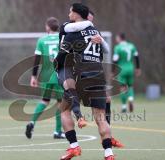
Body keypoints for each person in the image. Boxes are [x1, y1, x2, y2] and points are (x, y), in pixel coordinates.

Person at [56, 3, 115, 160]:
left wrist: (57, 66)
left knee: (64, 109)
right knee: (100, 117)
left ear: (76, 14)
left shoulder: (73, 34)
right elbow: (104, 52)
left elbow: (62, 54)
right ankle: (109, 154)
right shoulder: (96, 32)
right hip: (98, 74)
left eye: (70, 12)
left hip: (81, 76)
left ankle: (74, 146)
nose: (69, 14)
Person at [63, 10, 124, 148]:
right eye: (89, 18)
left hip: (89, 73)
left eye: (91, 19)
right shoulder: (72, 30)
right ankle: (83, 121)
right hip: (90, 74)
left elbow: (106, 50)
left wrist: (101, 41)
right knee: (69, 103)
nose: (90, 21)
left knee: (67, 105)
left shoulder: (93, 32)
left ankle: (79, 142)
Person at [25, 17, 65, 139]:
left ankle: (32, 122)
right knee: (61, 103)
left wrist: (33, 76)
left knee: (44, 100)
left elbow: (37, 60)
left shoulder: (41, 40)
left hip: (46, 76)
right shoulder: (62, 39)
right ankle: (58, 131)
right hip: (59, 75)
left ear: (48, 27)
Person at [113, 33, 141, 113]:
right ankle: (131, 98)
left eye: (117, 38)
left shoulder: (117, 47)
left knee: (123, 88)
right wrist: (138, 68)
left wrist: (112, 71)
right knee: (130, 86)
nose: (116, 39)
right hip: (131, 68)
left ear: (119, 38)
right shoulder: (132, 46)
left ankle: (124, 107)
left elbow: (115, 60)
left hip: (122, 69)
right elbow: (136, 57)